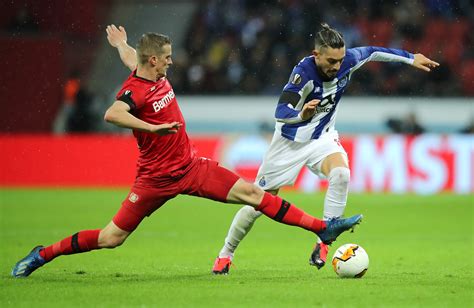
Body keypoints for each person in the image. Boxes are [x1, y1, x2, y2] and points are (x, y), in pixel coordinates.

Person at [11, 25, 363, 278]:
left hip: (191, 167)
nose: (171, 63)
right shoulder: (136, 89)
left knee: (255, 194)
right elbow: (113, 113)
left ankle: (323, 229)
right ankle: (43, 254)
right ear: (153, 60)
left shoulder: (149, 71)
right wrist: (152, 128)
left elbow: (132, 56)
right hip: (154, 179)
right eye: (165, 58)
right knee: (110, 238)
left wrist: (121, 44)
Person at [210, 23, 439, 274]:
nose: (337, 66)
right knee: (257, 204)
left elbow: (373, 51)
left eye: (340, 60)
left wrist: (410, 58)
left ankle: (323, 242)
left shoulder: (348, 60)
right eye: (331, 61)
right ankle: (226, 253)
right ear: (316, 54)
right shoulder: (303, 74)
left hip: (323, 138)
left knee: (341, 174)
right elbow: (281, 112)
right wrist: (301, 113)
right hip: (289, 144)